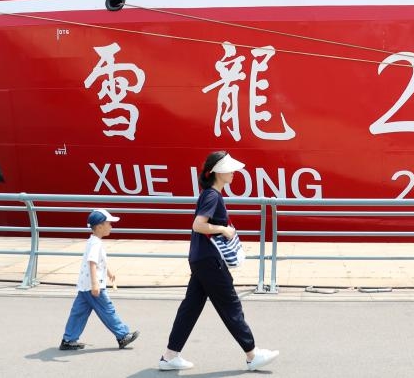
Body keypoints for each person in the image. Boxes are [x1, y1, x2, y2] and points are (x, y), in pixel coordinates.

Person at [159, 152, 279, 372]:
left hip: (199, 259)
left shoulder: (208, 194)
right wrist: (223, 229)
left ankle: (169, 357)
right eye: (230, 169)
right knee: (231, 305)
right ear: (218, 172)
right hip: (210, 260)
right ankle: (252, 355)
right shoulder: (213, 196)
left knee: (191, 307)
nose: (234, 173)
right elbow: (198, 225)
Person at [59, 208, 140, 351]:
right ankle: (122, 335)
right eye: (109, 224)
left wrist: (108, 272)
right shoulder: (96, 244)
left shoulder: (92, 241)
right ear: (100, 226)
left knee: (78, 312)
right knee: (107, 310)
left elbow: (98, 261)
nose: (111, 226)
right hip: (93, 286)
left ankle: (68, 339)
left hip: (85, 286)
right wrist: (95, 283)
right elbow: (92, 263)